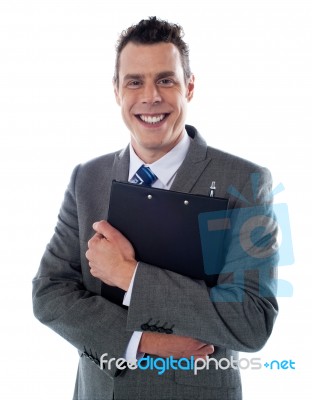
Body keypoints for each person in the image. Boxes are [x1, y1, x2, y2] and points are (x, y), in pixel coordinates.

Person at [32, 16, 279, 400]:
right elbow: (49, 293)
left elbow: (252, 321)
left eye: (166, 80)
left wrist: (131, 276)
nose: (151, 96)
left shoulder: (246, 182)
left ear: (189, 88)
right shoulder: (87, 178)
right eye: (135, 81)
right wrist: (142, 341)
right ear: (116, 91)